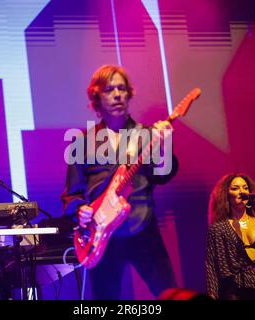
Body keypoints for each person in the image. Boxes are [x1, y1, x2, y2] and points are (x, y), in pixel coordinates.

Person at [61, 65, 178, 299]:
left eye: (121, 89)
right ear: (97, 97)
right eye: (109, 90)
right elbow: (70, 196)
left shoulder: (146, 136)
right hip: (102, 235)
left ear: (129, 94)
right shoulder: (81, 143)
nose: (116, 94)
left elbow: (164, 175)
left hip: (142, 227)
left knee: (171, 295)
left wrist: (163, 146)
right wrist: (80, 210)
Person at [205, 173, 255, 300]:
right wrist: (212, 296)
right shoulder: (218, 228)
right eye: (235, 188)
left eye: (245, 187)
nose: (241, 191)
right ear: (225, 195)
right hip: (234, 290)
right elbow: (211, 267)